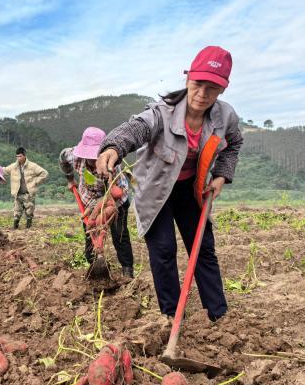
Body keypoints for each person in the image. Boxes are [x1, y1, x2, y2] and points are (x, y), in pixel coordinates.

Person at [95, 45, 243, 322]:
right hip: (156, 190)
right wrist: (113, 148)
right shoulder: (162, 113)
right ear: (188, 79)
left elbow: (234, 144)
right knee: (163, 250)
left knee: (202, 248)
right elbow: (136, 128)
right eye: (197, 84)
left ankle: (218, 315)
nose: (202, 94)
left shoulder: (226, 117)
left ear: (223, 89)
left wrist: (221, 175)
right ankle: (172, 317)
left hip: (191, 190)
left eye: (212, 88)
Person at [60, 127, 135, 278]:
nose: (93, 161)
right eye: (89, 157)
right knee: (90, 231)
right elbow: (62, 157)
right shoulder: (73, 156)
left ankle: (127, 271)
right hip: (89, 198)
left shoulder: (112, 165)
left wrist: (101, 207)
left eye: (95, 157)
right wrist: (70, 179)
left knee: (119, 234)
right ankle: (95, 265)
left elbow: (116, 193)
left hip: (115, 202)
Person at [2, 147, 49, 229]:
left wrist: (35, 182)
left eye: (20, 156)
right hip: (18, 193)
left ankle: (28, 228)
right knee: (17, 211)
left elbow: (44, 173)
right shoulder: (13, 167)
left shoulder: (32, 166)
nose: (18, 158)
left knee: (29, 211)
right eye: (17, 156)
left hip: (28, 193)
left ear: (24, 156)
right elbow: (4, 170)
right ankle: (15, 227)